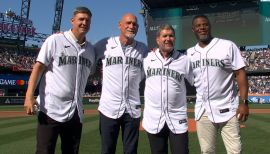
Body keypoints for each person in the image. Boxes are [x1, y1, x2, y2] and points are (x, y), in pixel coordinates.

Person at [24, 7, 95, 154]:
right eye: (81, 19)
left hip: (75, 112)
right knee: (44, 151)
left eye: (87, 20)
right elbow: (38, 68)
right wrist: (29, 95)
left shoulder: (91, 50)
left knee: (71, 151)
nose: (84, 23)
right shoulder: (55, 40)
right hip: (50, 109)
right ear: (72, 21)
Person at [187, 14, 249, 154]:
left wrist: (244, 102)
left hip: (229, 107)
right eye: (198, 25)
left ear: (210, 26)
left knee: (235, 151)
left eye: (205, 24)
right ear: (193, 30)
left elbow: (240, 73)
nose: (202, 27)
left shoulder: (227, 45)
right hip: (203, 110)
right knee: (207, 151)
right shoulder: (190, 53)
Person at [94, 13, 148, 154]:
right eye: (128, 23)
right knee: (107, 150)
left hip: (132, 109)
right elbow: (84, 51)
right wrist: (62, 39)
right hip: (108, 108)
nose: (131, 26)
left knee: (131, 151)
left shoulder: (143, 49)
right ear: (120, 25)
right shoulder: (105, 44)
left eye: (134, 24)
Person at [142, 24, 193, 154]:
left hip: (177, 117)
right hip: (154, 118)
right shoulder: (147, 59)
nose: (168, 39)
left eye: (171, 36)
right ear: (158, 39)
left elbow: (196, 82)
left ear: (174, 39)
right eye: (164, 36)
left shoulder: (184, 60)